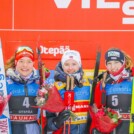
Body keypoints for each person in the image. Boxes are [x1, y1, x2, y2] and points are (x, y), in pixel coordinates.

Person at [90, 48, 134, 134]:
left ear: (123, 62)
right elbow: (97, 110)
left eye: (116, 62)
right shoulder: (103, 83)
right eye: (109, 63)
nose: (113, 67)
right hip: (112, 128)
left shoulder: (131, 79)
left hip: (130, 126)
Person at [46, 50, 91, 134]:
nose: (70, 68)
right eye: (66, 64)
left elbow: (97, 110)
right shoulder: (55, 87)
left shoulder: (89, 84)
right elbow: (47, 121)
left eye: (74, 64)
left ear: (79, 65)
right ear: (62, 66)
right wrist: (56, 122)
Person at [5, 46, 41, 134]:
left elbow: (47, 115)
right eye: (21, 61)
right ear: (16, 62)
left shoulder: (40, 84)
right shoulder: (5, 83)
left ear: (33, 63)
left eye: (29, 62)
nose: (25, 65)